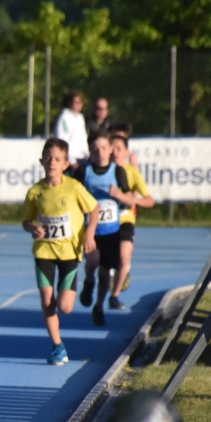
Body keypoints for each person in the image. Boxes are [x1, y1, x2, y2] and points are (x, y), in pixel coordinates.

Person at [21, 137, 98, 365]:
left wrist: (90, 235)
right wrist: (33, 228)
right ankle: (57, 346)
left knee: (64, 307)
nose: (52, 162)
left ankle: (85, 284)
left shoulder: (73, 187)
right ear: (41, 161)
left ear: (65, 164)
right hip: (44, 251)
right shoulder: (35, 191)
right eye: (48, 158)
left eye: (57, 159)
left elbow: (93, 209)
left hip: (69, 253)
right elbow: (26, 221)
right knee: (47, 300)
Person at [73, 129, 153, 323]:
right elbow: (72, 195)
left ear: (110, 150)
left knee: (105, 270)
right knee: (92, 262)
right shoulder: (84, 172)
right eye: (96, 148)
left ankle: (99, 306)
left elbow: (128, 199)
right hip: (91, 229)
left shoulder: (118, 172)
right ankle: (89, 281)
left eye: (104, 148)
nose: (100, 152)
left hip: (111, 230)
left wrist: (117, 196)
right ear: (91, 150)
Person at [109, 126, 152, 297]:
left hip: (126, 217)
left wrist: (130, 199)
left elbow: (147, 199)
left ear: (126, 151)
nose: (115, 152)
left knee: (123, 256)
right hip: (105, 221)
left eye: (119, 148)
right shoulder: (100, 169)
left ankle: (116, 289)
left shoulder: (131, 171)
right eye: (112, 147)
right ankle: (109, 276)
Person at [53, 91, 89, 170]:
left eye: (80, 102)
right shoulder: (64, 118)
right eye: (76, 102)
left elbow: (83, 139)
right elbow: (61, 140)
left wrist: (87, 155)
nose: (78, 104)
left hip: (83, 158)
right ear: (69, 103)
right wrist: (71, 160)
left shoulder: (80, 118)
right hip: (71, 160)